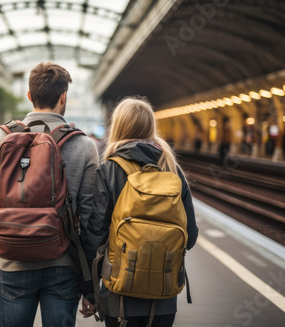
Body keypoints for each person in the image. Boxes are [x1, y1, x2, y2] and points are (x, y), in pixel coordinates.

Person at [0, 61, 99, 327]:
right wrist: (89, 279)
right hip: (63, 265)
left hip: (14, 262)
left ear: (29, 96)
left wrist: (0, 252)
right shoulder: (84, 145)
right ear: (64, 97)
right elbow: (91, 218)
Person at [80, 97, 198, 327]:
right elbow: (190, 236)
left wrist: (90, 293)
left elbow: (95, 237)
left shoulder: (109, 170)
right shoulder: (173, 170)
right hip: (164, 293)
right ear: (151, 127)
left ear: (119, 127)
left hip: (119, 295)